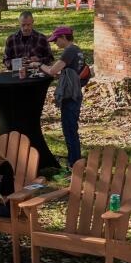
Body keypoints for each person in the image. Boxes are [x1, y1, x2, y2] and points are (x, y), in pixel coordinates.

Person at [38, 26, 87, 170]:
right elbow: (70, 72)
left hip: (70, 96)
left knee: (69, 130)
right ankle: (75, 161)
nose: (55, 44)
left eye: (56, 40)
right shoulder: (77, 50)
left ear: (64, 38)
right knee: (71, 129)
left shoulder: (69, 51)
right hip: (75, 94)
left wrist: (39, 65)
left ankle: (74, 164)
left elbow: (53, 71)